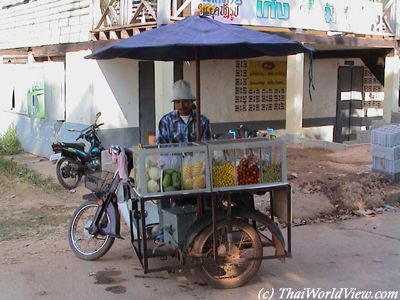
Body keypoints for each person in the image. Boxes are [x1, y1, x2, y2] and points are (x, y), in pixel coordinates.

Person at [156, 80, 212, 144]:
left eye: (185, 101)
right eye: (177, 102)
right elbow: (161, 148)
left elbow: (207, 147)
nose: (181, 106)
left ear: (191, 101)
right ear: (174, 103)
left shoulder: (203, 122)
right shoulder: (166, 122)